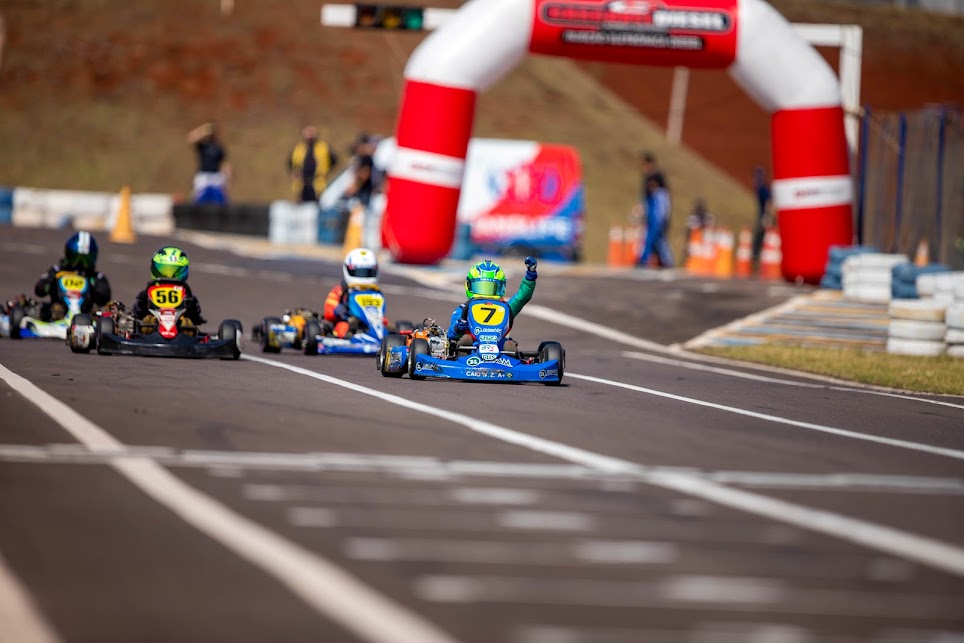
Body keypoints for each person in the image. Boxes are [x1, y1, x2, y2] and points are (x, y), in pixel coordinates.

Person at [447, 257, 538, 349]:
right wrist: (457, 328)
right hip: (471, 348)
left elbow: (521, 297)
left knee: (507, 343)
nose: (486, 293)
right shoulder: (463, 310)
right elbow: (451, 334)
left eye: (491, 288)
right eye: (481, 287)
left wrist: (530, 277)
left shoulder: (505, 308)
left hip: (498, 348)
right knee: (466, 338)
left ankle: (509, 353)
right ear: (469, 285)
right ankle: (463, 350)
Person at [33, 231, 111, 320]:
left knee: (98, 312)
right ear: (68, 255)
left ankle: (86, 320)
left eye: (86, 260)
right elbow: (39, 290)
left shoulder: (96, 276)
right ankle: (57, 315)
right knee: (46, 308)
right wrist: (48, 284)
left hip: (85, 313)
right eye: (75, 258)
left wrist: (96, 289)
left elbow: (105, 298)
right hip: (58, 308)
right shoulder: (57, 271)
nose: (80, 263)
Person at [132, 246, 206, 326]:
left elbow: (195, 316)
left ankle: (185, 328)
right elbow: (137, 313)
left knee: (188, 321)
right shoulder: (146, 294)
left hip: (180, 331)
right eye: (164, 270)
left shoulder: (187, 296)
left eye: (174, 271)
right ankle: (149, 325)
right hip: (151, 330)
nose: (169, 276)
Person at [322, 247, 380, 338]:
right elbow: (327, 311)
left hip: (372, 323)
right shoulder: (341, 291)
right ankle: (351, 336)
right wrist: (335, 311)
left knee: (387, 328)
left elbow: (378, 312)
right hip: (347, 321)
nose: (363, 276)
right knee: (342, 328)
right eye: (359, 272)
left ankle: (378, 337)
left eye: (367, 272)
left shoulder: (375, 293)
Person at [288, 125, 338, 203]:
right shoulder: (299, 148)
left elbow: (334, 160)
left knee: (318, 205)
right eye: (307, 133)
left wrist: (326, 171)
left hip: (318, 182)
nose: (309, 136)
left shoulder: (323, 147)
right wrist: (294, 172)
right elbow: (290, 163)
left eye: (311, 133)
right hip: (302, 183)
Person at [187, 122, 230, 204]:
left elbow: (225, 163)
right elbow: (191, 138)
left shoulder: (218, 147)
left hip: (216, 176)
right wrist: (203, 130)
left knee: (219, 200)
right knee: (199, 199)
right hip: (203, 176)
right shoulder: (202, 145)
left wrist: (226, 180)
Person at [638, 174, 674, 267]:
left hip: (657, 222)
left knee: (655, 242)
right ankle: (664, 261)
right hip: (653, 222)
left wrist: (662, 221)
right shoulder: (653, 195)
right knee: (657, 242)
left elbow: (663, 210)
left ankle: (666, 261)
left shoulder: (661, 194)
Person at [751, 166, 773, 267]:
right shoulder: (762, 189)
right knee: (760, 237)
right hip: (763, 215)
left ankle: (756, 257)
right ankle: (756, 257)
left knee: (761, 237)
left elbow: (768, 202)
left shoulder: (762, 189)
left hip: (763, 215)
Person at [682, 198, 715, 265]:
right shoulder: (692, 218)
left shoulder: (709, 218)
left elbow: (713, 232)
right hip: (695, 246)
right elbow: (688, 233)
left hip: (706, 246)